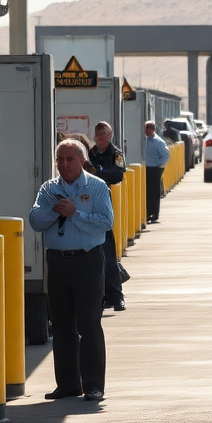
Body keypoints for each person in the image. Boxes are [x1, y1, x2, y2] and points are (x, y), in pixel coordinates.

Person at [28, 139, 113, 401]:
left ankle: (93, 385)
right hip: (57, 261)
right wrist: (56, 212)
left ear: (81, 160)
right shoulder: (48, 189)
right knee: (62, 325)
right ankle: (67, 384)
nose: (64, 164)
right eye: (60, 160)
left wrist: (75, 213)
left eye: (70, 159)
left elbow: (105, 222)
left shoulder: (96, 187)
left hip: (87, 260)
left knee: (89, 323)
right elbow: (35, 220)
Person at [87, 121, 126, 311]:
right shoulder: (89, 153)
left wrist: (98, 172)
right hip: (87, 202)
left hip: (104, 202)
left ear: (110, 135)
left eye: (104, 134)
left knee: (108, 250)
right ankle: (99, 295)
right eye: (98, 134)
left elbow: (118, 175)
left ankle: (116, 295)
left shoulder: (116, 153)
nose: (100, 138)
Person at [142, 120, 170, 223]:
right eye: (145, 128)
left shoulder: (157, 141)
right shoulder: (145, 140)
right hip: (146, 169)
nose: (146, 130)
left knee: (154, 192)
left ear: (152, 129)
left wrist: (158, 165)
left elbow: (166, 155)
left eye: (148, 128)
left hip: (154, 169)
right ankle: (148, 212)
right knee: (148, 192)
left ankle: (154, 214)